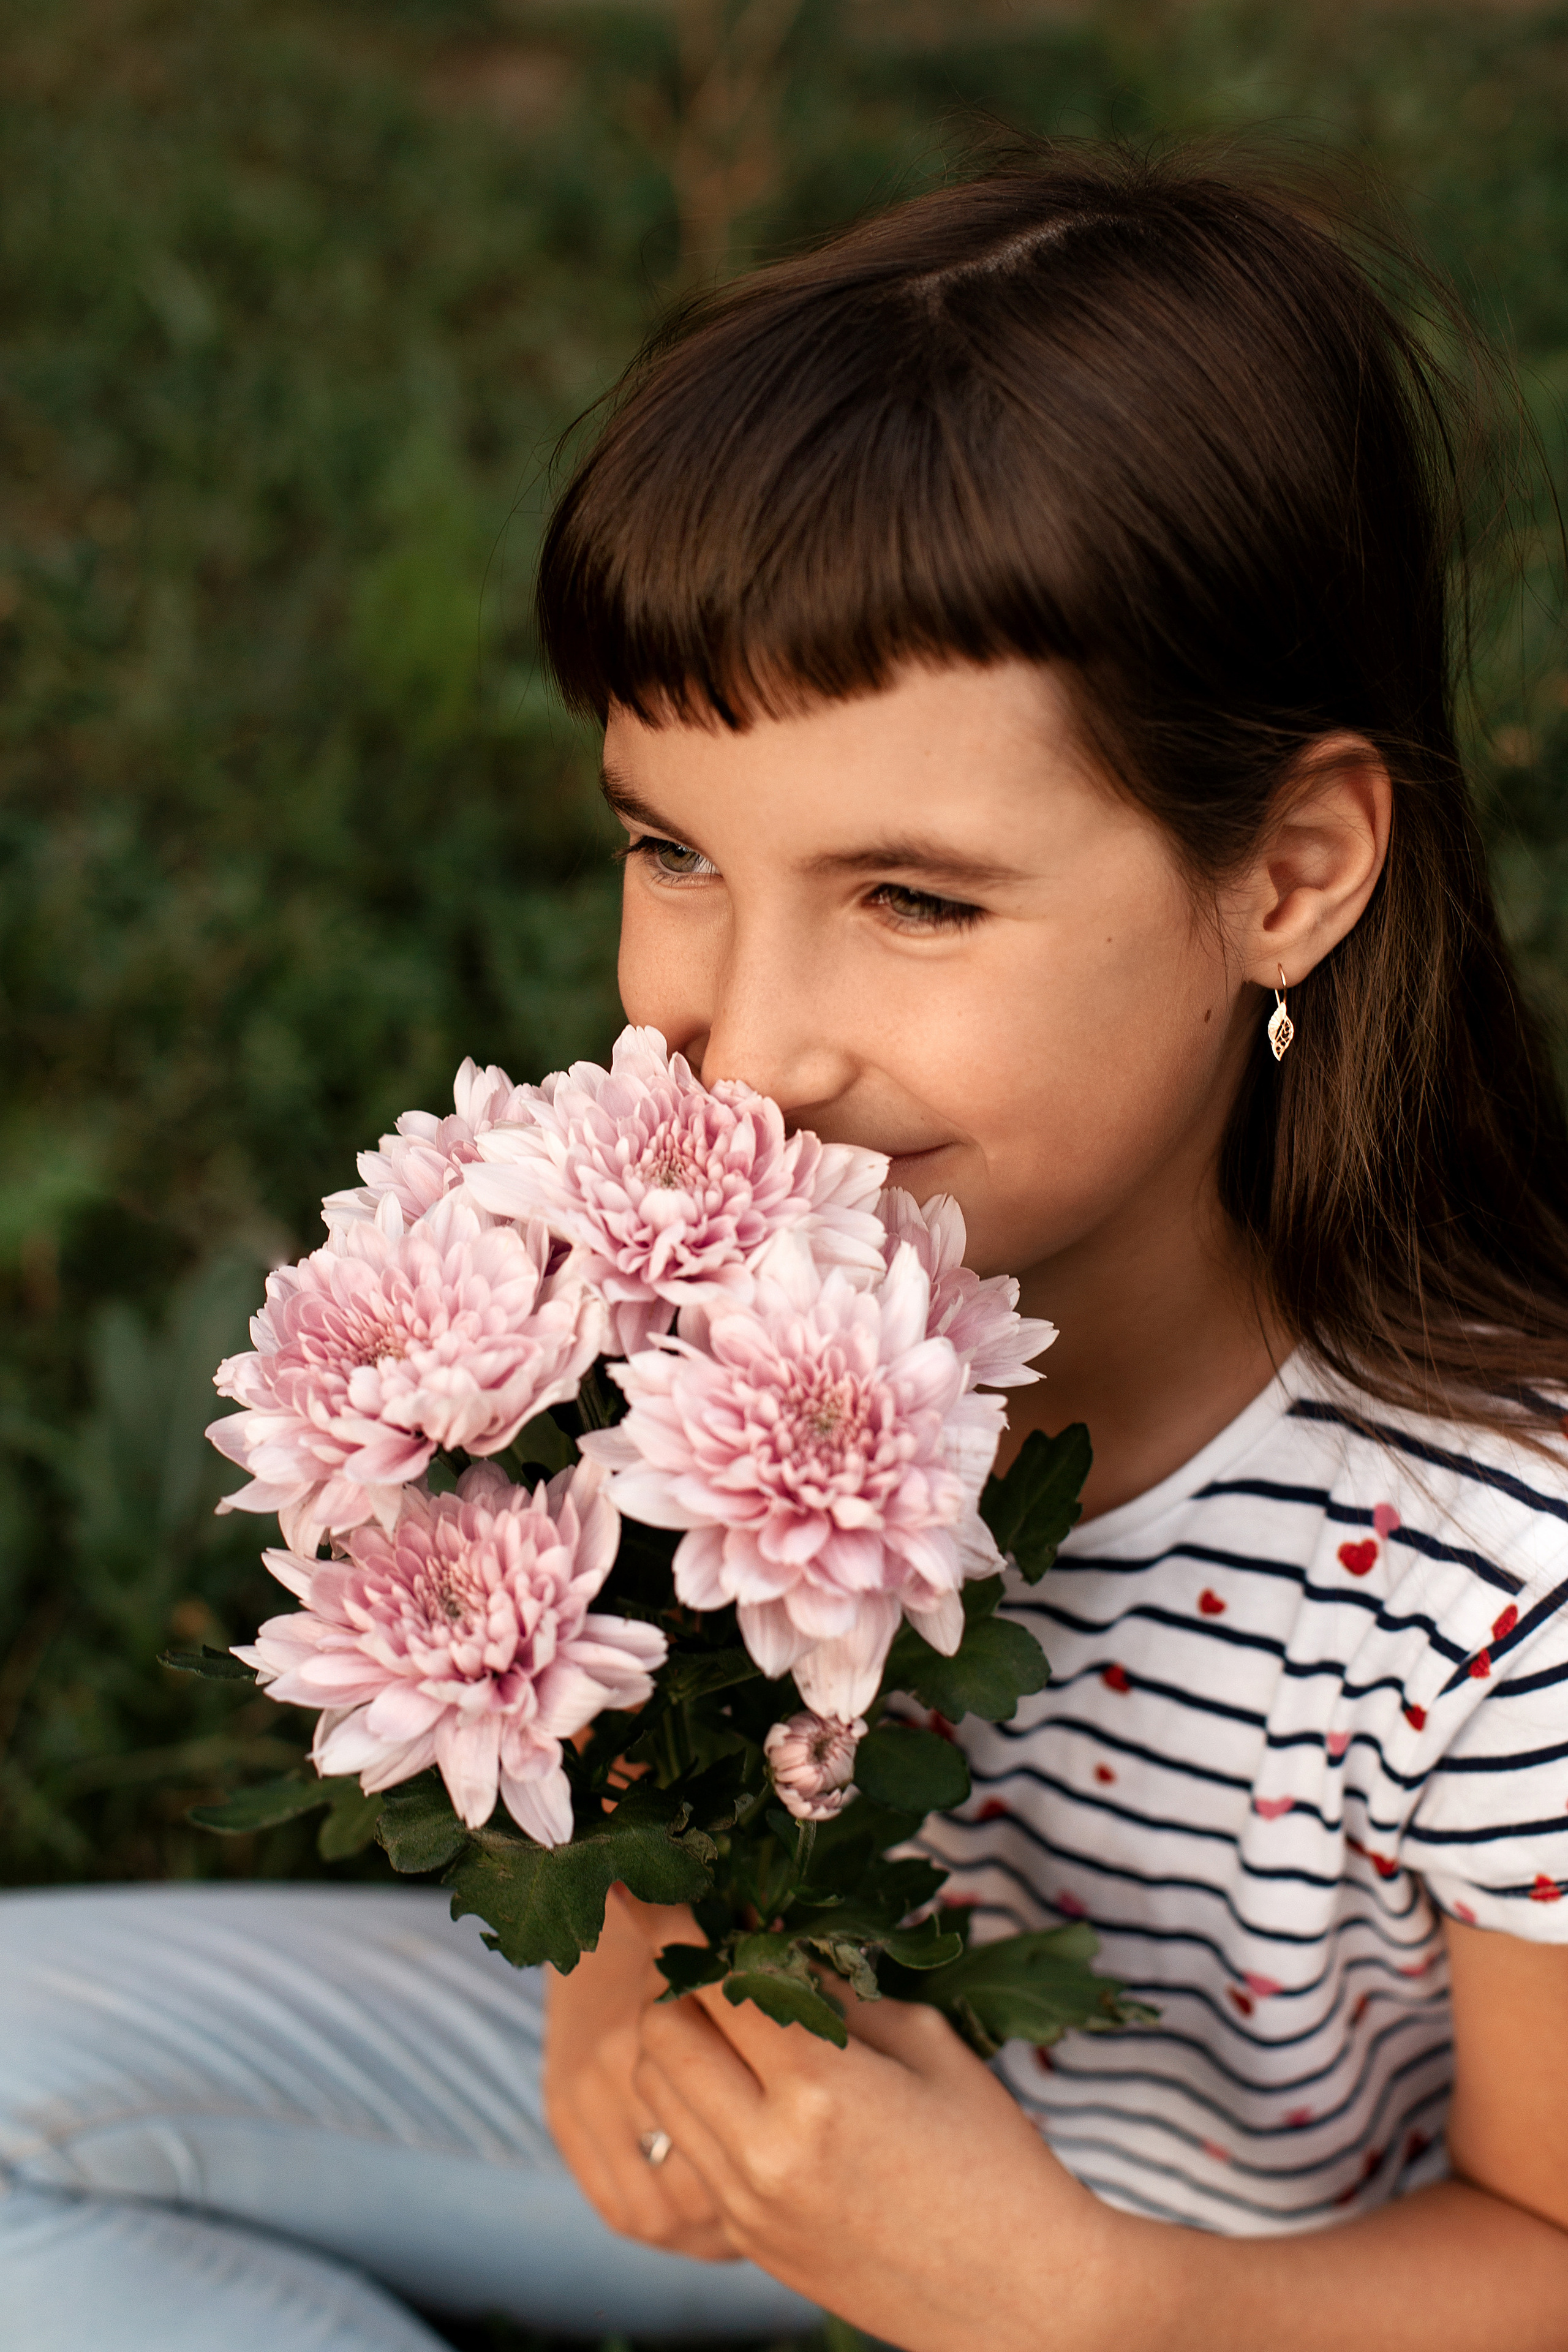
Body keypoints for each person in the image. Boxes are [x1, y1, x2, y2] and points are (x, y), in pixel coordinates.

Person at [6, 139, 1568, 2351]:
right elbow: (634, 1711)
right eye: (673, 851)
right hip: (772, 2117)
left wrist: (1084, 2305)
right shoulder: (628, 1284)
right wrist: (620, 1952)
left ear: (1290, 871)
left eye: (914, 897)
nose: (747, 1047)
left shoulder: (1502, 1575)